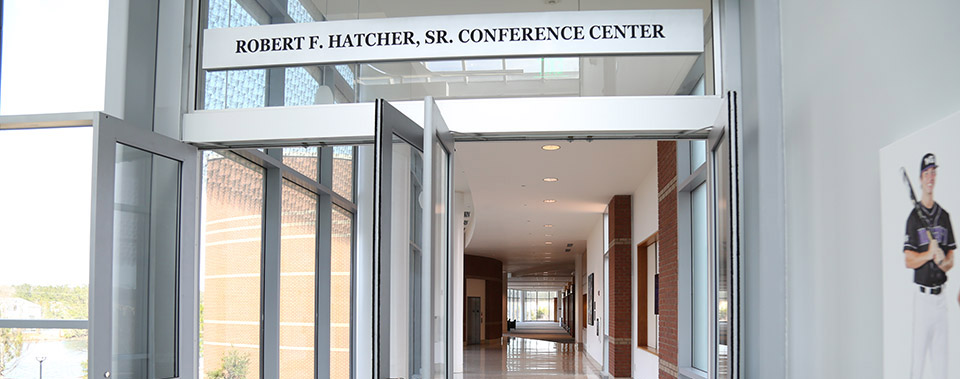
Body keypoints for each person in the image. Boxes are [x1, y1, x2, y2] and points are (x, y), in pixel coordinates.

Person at [904, 153, 956, 379]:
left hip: (941, 301)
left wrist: (942, 261)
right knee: (918, 365)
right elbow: (908, 260)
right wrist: (928, 254)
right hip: (923, 301)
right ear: (920, 178)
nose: (931, 177)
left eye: (934, 172)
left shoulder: (944, 216)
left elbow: (951, 259)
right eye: (927, 173)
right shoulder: (913, 218)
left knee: (941, 367)